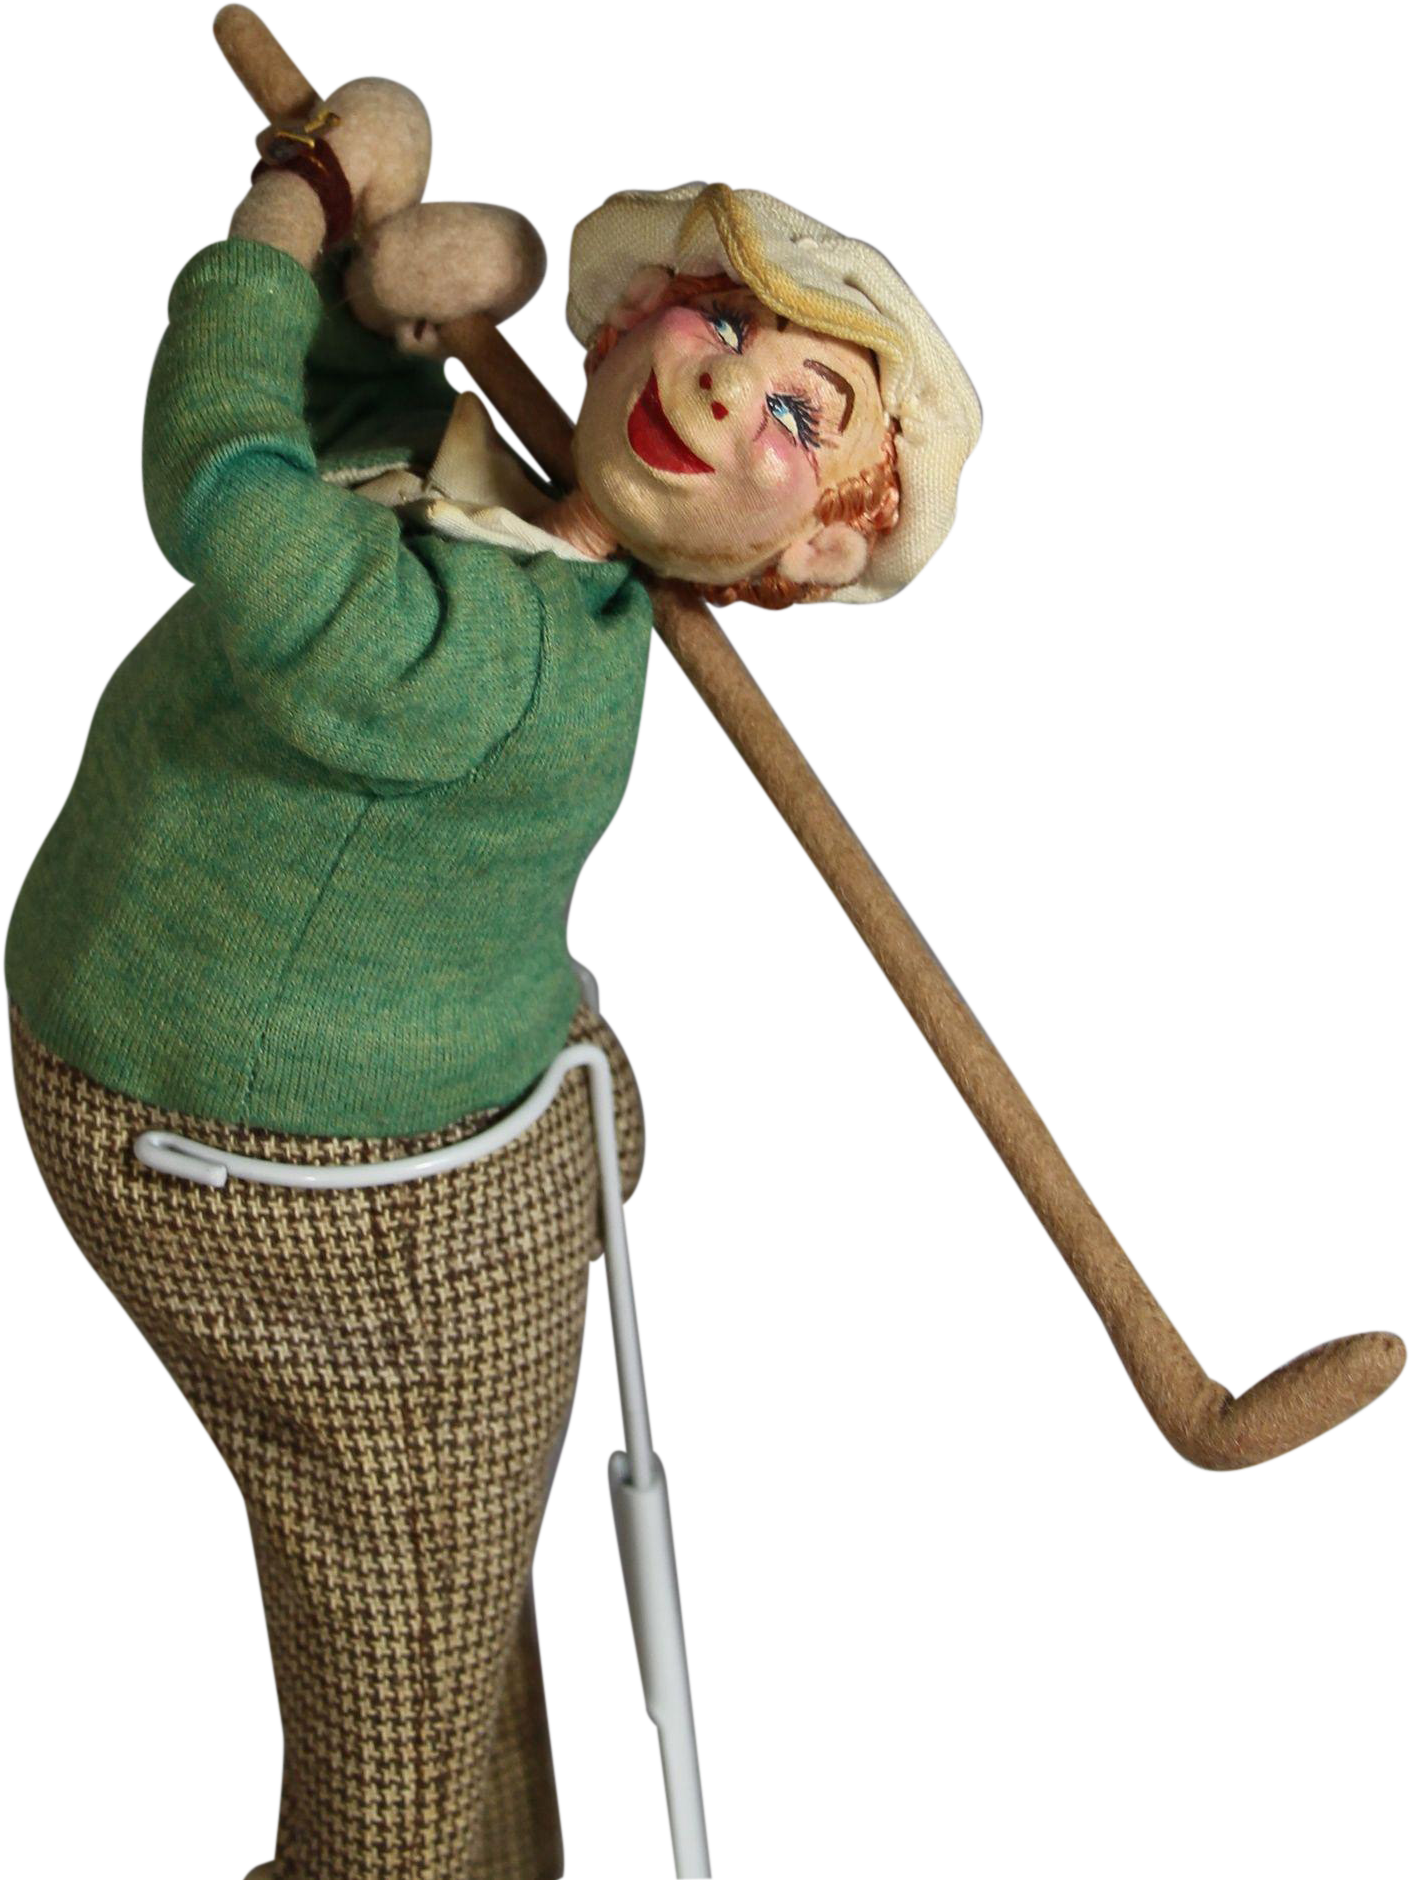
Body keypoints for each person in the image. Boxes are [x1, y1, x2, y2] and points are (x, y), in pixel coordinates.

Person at [2, 80, 982, 1880]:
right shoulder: (516, 542)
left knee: (432, 1645)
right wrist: (372, 332)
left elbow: (224, 484)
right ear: (620, 328)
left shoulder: (492, 658)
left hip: (338, 1122)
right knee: (410, 1659)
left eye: (796, 415)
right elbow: (351, 470)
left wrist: (286, 217)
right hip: (266, 1160)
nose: (724, 387)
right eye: (723, 328)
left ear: (809, 554)